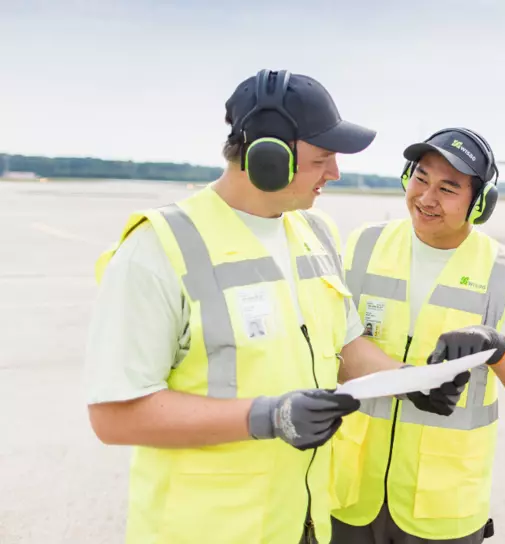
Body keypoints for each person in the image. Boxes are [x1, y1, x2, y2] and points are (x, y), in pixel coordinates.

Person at [83, 69, 458, 544]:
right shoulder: (159, 249)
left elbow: (345, 346)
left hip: (302, 525)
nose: (335, 173)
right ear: (268, 157)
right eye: (323, 158)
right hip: (206, 532)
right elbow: (114, 414)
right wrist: (268, 416)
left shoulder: (314, 233)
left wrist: (411, 381)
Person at [330, 128, 505, 543]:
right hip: (349, 495)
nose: (426, 198)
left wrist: (498, 347)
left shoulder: (502, 273)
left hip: (442, 510)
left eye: (448, 188)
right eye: (420, 178)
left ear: (480, 204)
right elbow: (333, 351)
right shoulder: (362, 247)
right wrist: (408, 382)